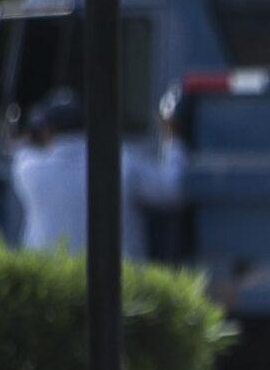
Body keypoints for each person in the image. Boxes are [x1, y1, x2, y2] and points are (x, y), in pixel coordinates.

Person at [11, 88, 187, 258]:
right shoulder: (122, 162)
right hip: (123, 277)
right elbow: (172, 189)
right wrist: (171, 137)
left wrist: (32, 134)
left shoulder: (29, 169)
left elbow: (22, 145)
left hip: (52, 277)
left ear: (46, 131)